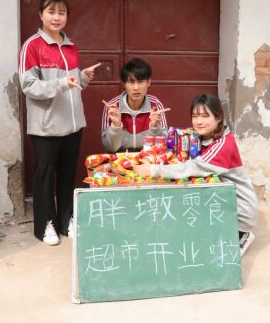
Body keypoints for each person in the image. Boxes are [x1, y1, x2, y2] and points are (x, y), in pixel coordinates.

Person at [18, 0, 101, 245]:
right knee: (44, 177)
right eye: (52, 12)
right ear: (41, 15)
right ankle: (45, 225)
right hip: (46, 126)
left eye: (62, 13)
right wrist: (62, 83)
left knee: (67, 174)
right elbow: (29, 86)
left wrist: (83, 78)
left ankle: (66, 221)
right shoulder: (32, 46)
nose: (57, 17)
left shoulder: (70, 45)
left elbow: (72, 84)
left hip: (73, 124)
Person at [133, 94, 258, 256]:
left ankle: (243, 235)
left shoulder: (223, 145)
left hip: (239, 212)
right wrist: (155, 127)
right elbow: (175, 137)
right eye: (195, 116)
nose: (199, 121)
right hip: (218, 203)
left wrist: (153, 170)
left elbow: (192, 167)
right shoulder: (204, 134)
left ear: (218, 117)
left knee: (220, 257)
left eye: (205, 116)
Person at [101, 58, 170, 152]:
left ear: (148, 83)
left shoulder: (155, 105)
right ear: (124, 84)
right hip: (119, 161)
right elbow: (110, 148)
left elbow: (163, 146)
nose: (136, 88)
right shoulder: (112, 107)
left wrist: (154, 128)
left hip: (147, 159)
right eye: (131, 82)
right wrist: (116, 126)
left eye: (140, 81)